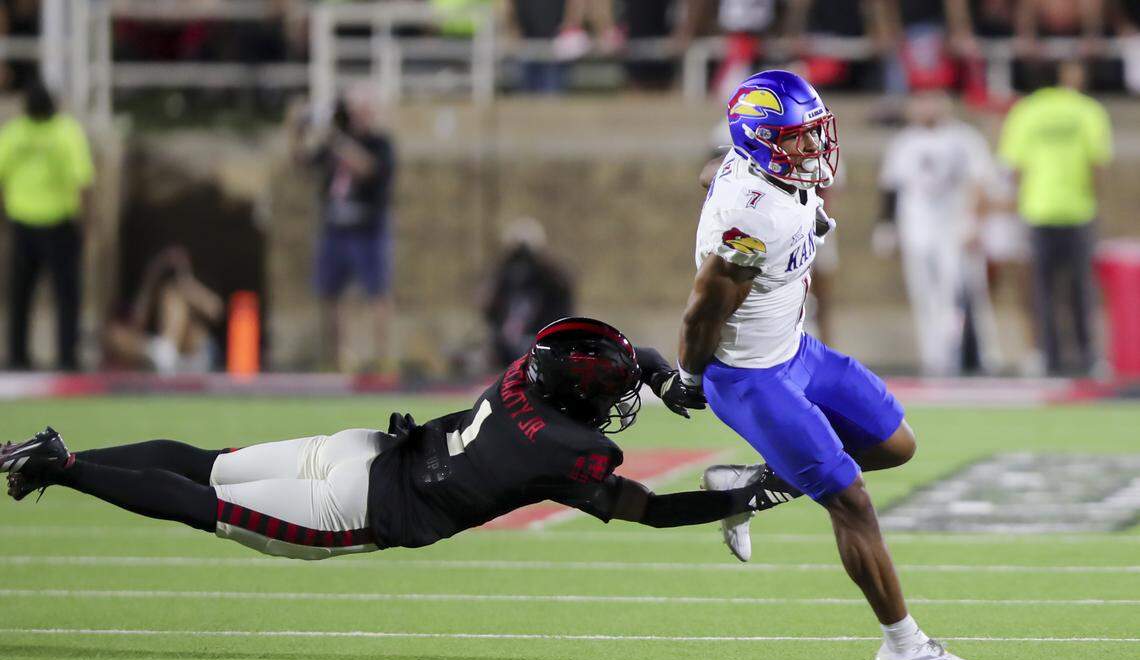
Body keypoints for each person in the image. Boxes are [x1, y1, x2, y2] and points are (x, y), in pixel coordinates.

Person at [3, 317, 785, 560]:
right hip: (354, 503)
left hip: (366, 450)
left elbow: (614, 353)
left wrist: (652, 370)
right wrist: (748, 494)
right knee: (202, 504)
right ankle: (64, 465)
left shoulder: (524, 373)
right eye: (610, 388)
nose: (619, 398)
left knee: (207, 465)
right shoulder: (570, 451)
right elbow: (646, 511)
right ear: (581, 391)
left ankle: (59, 448)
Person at [677, 70, 980, 660]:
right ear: (760, 140)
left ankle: (747, 486)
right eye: (797, 137)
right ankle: (903, 644)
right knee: (852, 501)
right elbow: (701, 312)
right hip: (751, 375)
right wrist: (690, 379)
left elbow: (716, 171)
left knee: (895, 444)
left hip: (796, 350)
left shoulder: (767, 171)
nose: (814, 147)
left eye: (815, 132)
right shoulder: (750, 222)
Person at [998, 59, 1111, 376]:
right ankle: (1089, 357)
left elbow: (1014, 167)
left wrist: (1023, 201)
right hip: (1078, 210)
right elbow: (1098, 164)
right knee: (1081, 289)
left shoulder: (1025, 111)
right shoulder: (1087, 110)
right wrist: (1091, 197)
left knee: (1041, 290)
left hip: (1038, 210)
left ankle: (1047, 356)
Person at [874, 90, 998, 376]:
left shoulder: (964, 139)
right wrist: (886, 226)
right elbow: (891, 186)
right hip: (916, 228)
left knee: (958, 294)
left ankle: (969, 356)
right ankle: (934, 357)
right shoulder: (904, 142)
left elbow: (980, 182)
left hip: (953, 229)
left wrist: (974, 224)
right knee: (923, 294)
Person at [289, 90, 396, 372]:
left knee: (378, 294)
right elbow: (302, 162)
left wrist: (334, 137)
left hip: (368, 229)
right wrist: (297, 131)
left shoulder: (379, 143)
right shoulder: (334, 144)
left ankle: (383, 359)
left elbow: (368, 168)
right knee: (331, 293)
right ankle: (338, 358)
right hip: (335, 228)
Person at [0, 79, 94, 371]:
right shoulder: (66, 131)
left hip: (23, 222)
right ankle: (67, 357)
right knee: (67, 296)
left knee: (20, 296)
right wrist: (86, 222)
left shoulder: (14, 133)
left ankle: (17, 357)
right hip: (59, 224)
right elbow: (83, 181)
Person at [102, 246, 224, 374]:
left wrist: (185, 279)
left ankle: (166, 352)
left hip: (194, 353)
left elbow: (216, 311)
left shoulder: (186, 288)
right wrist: (152, 275)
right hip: (161, 355)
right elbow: (136, 323)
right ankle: (163, 354)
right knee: (114, 334)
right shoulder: (151, 291)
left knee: (171, 294)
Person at [483, 218, 574, 369]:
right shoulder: (506, 278)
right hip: (508, 344)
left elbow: (563, 287)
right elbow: (488, 306)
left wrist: (541, 258)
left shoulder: (550, 279)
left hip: (542, 342)